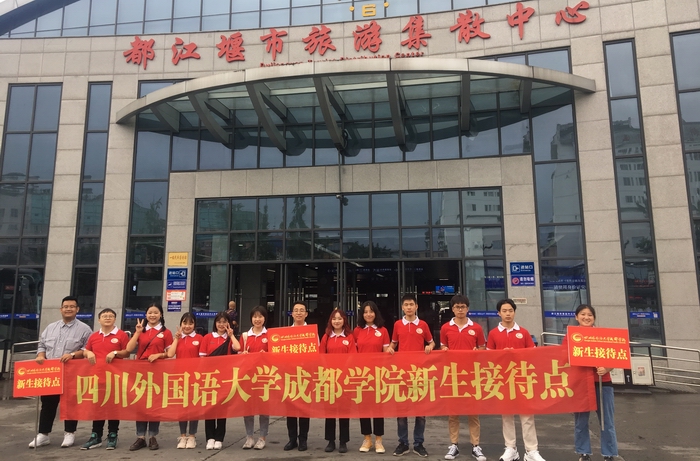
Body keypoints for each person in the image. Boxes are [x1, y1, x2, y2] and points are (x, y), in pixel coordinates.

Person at [28, 296, 92, 449]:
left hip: (72, 372)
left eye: (72, 306)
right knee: (48, 404)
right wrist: (40, 355)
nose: (68, 309)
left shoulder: (85, 329)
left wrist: (72, 355)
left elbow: (87, 349)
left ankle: (69, 433)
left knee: (71, 403)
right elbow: (42, 345)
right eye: (66, 306)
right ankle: (43, 434)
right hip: (51, 372)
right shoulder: (51, 327)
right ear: (61, 309)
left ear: (77, 309)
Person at [487, 299, 546, 461]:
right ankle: (510, 448)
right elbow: (488, 357)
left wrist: (516, 354)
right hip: (503, 380)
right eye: (504, 311)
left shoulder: (523, 332)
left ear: (514, 312)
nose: (508, 314)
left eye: (510, 311)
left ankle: (531, 450)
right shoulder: (493, 334)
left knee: (527, 416)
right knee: (507, 415)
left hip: (522, 379)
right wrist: (502, 355)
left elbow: (532, 354)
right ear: (499, 313)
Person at [386, 294, 435, 457]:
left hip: (419, 373)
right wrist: (390, 349)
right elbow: (394, 343)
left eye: (411, 304)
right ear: (402, 307)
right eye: (406, 305)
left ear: (416, 307)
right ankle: (403, 443)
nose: (408, 307)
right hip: (402, 373)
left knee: (420, 411)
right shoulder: (398, 325)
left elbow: (431, 342)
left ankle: (419, 443)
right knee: (402, 410)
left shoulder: (423, 325)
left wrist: (430, 347)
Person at [439, 294, 487, 461]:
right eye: (457, 307)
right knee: (453, 413)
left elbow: (482, 348)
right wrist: (444, 350)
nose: (460, 310)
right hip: (453, 375)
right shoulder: (446, 328)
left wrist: (477, 352)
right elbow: (443, 346)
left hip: (472, 375)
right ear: (452, 309)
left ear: (467, 308)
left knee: (473, 412)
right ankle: (454, 444)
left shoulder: (477, 328)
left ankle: (476, 445)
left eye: (463, 307)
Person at [570, 304, 619, 461]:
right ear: (576, 317)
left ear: (594, 318)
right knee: (581, 421)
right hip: (580, 385)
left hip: (602, 383)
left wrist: (607, 368)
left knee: (606, 421)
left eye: (590, 315)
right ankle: (583, 452)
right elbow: (564, 359)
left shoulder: (602, 335)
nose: (586, 317)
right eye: (582, 314)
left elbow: (615, 356)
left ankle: (609, 453)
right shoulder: (571, 336)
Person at [80, 308, 130, 450]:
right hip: (97, 377)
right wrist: (88, 353)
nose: (107, 318)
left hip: (115, 378)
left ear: (115, 319)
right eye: (104, 316)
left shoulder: (121, 335)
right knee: (98, 407)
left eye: (110, 316)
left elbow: (127, 352)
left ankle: (113, 435)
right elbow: (85, 350)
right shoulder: (94, 336)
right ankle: (96, 436)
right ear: (99, 319)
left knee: (114, 407)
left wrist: (115, 352)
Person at [125, 303, 173, 451]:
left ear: (161, 315)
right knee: (140, 403)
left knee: (154, 403)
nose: (152, 315)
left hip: (157, 371)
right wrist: (137, 332)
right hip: (140, 372)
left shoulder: (166, 332)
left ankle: (153, 436)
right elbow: (129, 348)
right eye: (150, 313)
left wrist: (159, 355)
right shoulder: (141, 330)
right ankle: (140, 437)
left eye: (155, 312)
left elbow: (170, 353)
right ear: (146, 315)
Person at [200, 311, 241, 450]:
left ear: (228, 323)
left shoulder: (230, 338)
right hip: (209, 378)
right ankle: (210, 438)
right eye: (219, 321)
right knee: (209, 409)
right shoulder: (207, 337)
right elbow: (202, 358)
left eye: (224, 322)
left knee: (222, 409)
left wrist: (231, 335)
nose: (221, 324)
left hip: (225, 378)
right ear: (215, 323)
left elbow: (238, 348)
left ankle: (219, 438)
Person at [352, 300, 389, 453]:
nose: (368, 314)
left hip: (378, 374)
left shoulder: (383, 330)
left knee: (378, 407)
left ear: (376, 313)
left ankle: (379, 439)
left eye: (371, 311)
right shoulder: (357, 331)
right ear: (362, 314)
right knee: (364, 407)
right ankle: (367, 438)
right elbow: (353, 353)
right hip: (362, 375)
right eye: (365, 312)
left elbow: (386, 352)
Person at [320, 309, 357, 453]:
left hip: (344, 379)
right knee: (329, 411)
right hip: (329, 379)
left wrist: (343, 372)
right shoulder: (326, 336)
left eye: (339, 319)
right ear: (331, 321)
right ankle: (330, 441)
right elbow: (321, 356)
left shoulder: (349, 337)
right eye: (334, 319)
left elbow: (353, 357)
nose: (337, 321)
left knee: (344, 411)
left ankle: (343, 441)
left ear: (344, 321)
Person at [166, 312, 203, 449]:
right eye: (185, 323)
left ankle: (192, 436)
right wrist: (176, 339)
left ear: (195, 325)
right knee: (181, 408)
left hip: (195, 378)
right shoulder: (177, 338)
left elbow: (204, 359)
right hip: (180, 378)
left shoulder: (199, 338)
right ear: (181, 324)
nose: (187, 326)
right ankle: (182, 436)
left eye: (190, 323)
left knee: (193, 408)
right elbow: (170, 354)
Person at [240, 305, 270, 450]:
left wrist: (267, 355)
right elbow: (238, 356)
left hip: (264, 377)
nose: (257, 319)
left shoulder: (270, 335)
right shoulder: (245, 336)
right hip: (248, 377)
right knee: (248, 408)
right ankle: (249, 437)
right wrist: (243, 354)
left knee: (264, 408)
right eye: (255, 316)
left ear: (265, 318)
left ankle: (262, 438)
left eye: (260, 316)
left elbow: (276, 356)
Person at [285, 301, 312, 452]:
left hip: (305, 376)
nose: (299, 313)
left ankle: (303, 439)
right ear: (292, 314)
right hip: (289, 376)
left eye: (302, 310)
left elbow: (316, 354)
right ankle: (292, 439)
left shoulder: (311, 332)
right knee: (290, 410)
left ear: (306, 314)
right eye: (296, 310)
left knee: (304, 410)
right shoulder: (285, 333)